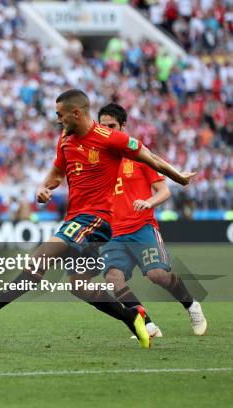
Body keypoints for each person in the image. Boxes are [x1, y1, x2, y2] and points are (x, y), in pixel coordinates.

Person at [0, 89, 196, 349]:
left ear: (77, 113)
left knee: (43, 255)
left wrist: (179, 178)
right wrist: (45, 187)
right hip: (76, 219)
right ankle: (132, 318)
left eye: (60, 115)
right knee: (79, 285)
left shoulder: (111, 139)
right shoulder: (65, 139)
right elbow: (58, 172)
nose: (58, 119)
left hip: (97, 219)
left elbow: (151, 159)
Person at [97, 102, 207, 337]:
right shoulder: (96, 160)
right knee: (113, 279)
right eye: (103, 127)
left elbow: (164, 191)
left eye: (112, 126)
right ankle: (146, 324)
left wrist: (148, 202)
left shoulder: (138, 154)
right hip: (112, 233)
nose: (107, 131)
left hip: (141, 227)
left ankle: (191, 305)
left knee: (157, 275)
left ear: (123, 127)